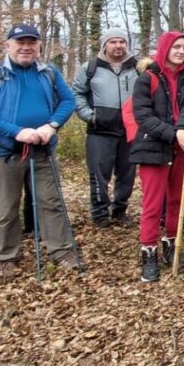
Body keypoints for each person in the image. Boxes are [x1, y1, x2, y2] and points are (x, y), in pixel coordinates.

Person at [0, 24, 78, 279]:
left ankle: (62, 252)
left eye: (32, 42)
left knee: (52, 202)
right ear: (8, 45)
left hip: (42, 150)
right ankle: (7, 258)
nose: (26, 47)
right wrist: (15, 131)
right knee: (4, 207)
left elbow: (68, 100)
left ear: (39, 46)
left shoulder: (49, 72)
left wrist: (52, 125)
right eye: (20, 42)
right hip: (2, 151)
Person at [129, 31, 184, 282]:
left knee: (176, 200)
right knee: (152, 203)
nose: (181, 51)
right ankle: (148, 252)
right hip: (153, 148)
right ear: (165, 48)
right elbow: (143, 116)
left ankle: (171, 242)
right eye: (176, 47)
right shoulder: (147, 79)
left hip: (180, 147)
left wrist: (183, 130)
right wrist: (174, 134)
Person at [71, 27, 138, 228]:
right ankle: (100, 213)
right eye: (113, 42)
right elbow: (77, 93)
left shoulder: (138, 67)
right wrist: (90, 116)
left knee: (127, 173)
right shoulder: (90, 67)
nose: (118, 46)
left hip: (130, 130)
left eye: (122, 42)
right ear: (105, 45)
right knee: (99, 174)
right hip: (99, 130)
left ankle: (120, 211)